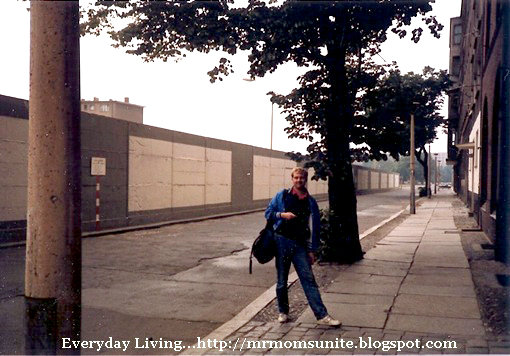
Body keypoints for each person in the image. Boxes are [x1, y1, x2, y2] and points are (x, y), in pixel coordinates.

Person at [265, 167, 340, 326]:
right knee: (281, 280)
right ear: (292, 179)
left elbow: (315, 228)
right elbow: (268, 213)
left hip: (300, 246)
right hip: (282, 242)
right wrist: (282, 215)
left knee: (309, 280)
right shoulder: (282, 196)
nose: (299, 180)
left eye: (302, 178)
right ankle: (283, 311)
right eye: (296, 178)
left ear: (305, 180)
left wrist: (312, 250)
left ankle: (322, 315)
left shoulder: (310, 201)